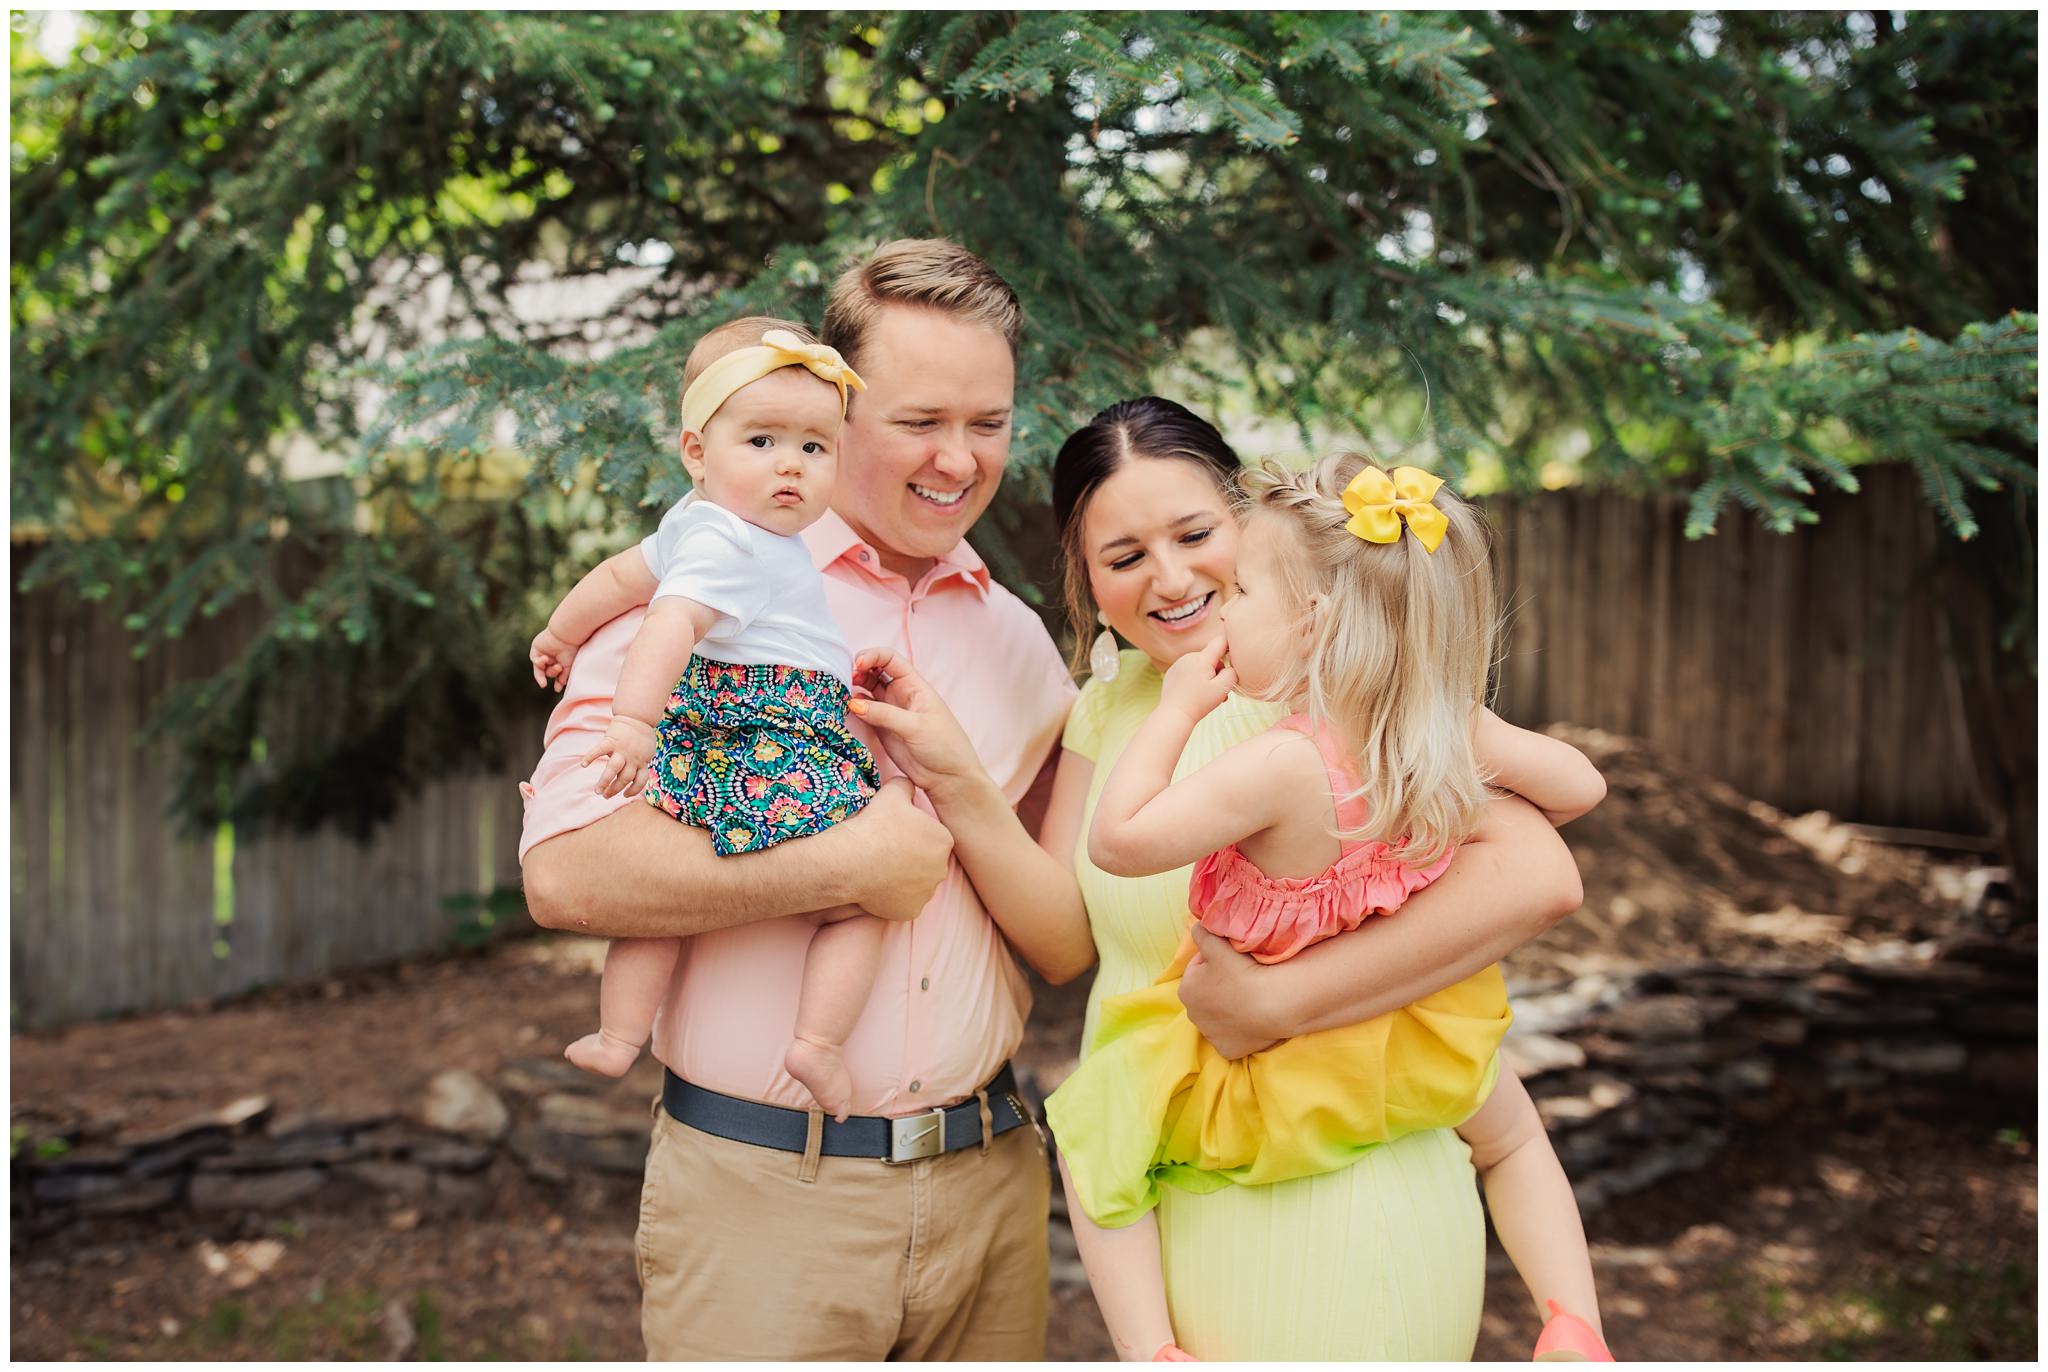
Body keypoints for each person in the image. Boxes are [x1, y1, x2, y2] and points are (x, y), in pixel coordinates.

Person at [517, 240, 1094, 1360]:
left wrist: (961, 790)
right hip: (767, 1194)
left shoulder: (1020, 644)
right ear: (835, 404)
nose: (957, 458)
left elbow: (1062, 941)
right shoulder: (706, 582)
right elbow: (564, 872)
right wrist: (840, 868)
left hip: (991, 1186)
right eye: (918, 418)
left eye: (988, 422)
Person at [1036, 397, 1588, 1360]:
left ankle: (1568, 1318)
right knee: (1509, 1124)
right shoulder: (1106, 712)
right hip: (1191, 1144)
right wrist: (950, 789)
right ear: (1085, 580)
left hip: (1342, 1123)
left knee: (1093, 1147)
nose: (1174, 579)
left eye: (1203, 540)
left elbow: (1544, 871)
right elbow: (1058, 929)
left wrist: (1277, 999)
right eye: (1124, 558)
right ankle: (1571, 1321)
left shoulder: (1341, 721)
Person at [526, 317, 884, 1119]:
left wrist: (560, 630)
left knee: (667, 902)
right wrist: (631, 724)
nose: (790, 464)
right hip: (779, 731)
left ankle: (620, 1035)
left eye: (814, 448)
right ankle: (817, 1045)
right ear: (696, 451)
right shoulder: (737, 546)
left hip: (709, 729)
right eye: (761, 441)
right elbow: (667, 624)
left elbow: (623, 578)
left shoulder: (694, 525)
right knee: (863, 896)